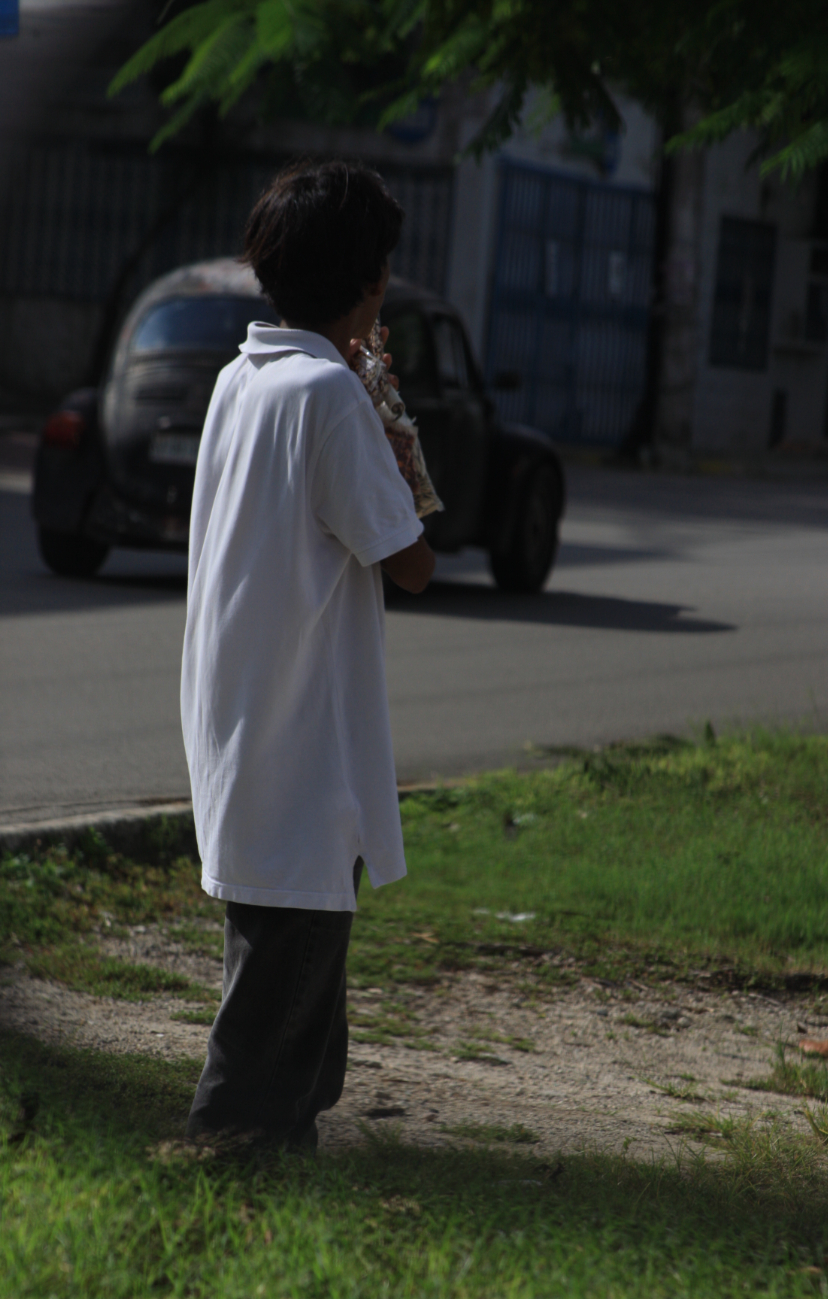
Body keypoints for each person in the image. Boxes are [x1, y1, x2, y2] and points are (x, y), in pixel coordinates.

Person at [180, 161, 435, 1148]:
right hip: (297, 757)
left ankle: (279, 1154)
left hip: (247, 733)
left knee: (296, 995)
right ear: (369, 283)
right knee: (270, 1020)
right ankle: (225, 1170)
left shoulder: (240, 379)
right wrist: (392, 423)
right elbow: (409, 560)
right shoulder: (329, 394)